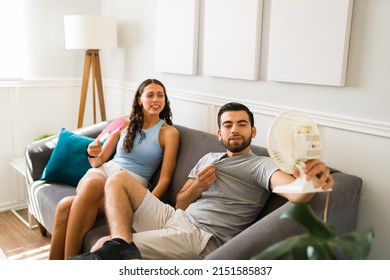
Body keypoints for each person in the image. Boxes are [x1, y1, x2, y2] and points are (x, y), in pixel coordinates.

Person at [69, 102, 334, 260]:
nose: (234, 130)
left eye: (241, 124)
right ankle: (121, 247)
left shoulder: (260, 165)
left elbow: (294, 192)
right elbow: (181, 202)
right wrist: (197, 186)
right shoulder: (209, 157)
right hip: (175, 217)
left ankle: (116, 250)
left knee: (100, 247)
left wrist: (308, 182)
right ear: (220, 133)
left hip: (200, 237)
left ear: (252, 131)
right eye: (228, 125)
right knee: (117, 179)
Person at [49, 78, 179, 259]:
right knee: (93, 182)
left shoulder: (169, 133)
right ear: (140, 99)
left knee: (64, 206)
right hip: (103, 172)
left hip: (128, 185)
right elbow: (98, 161)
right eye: (150, 95)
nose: (156, 99)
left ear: (165, 100)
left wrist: (146, 204)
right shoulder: (125, 123)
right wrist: (91, 152)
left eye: (160, 95)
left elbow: (165, 178)